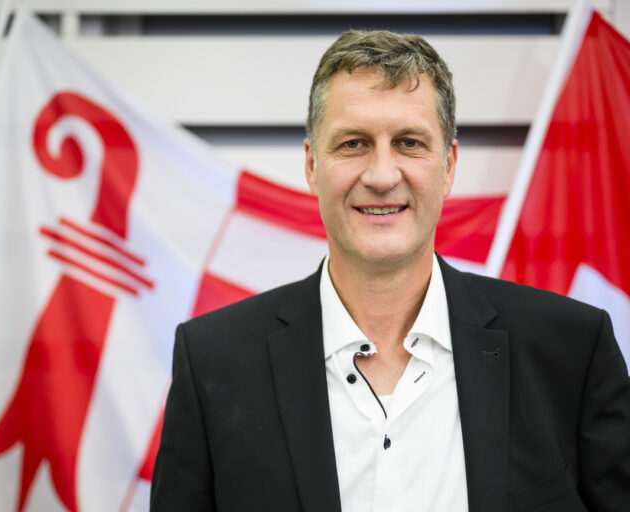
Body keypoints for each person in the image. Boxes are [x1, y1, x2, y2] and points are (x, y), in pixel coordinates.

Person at [150, 30, 630, 512]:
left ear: (448, 166)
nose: (381, 176)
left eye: (409, 142)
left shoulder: (572, 351)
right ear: (313, 166)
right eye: (354, 143)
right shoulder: (212, 361)